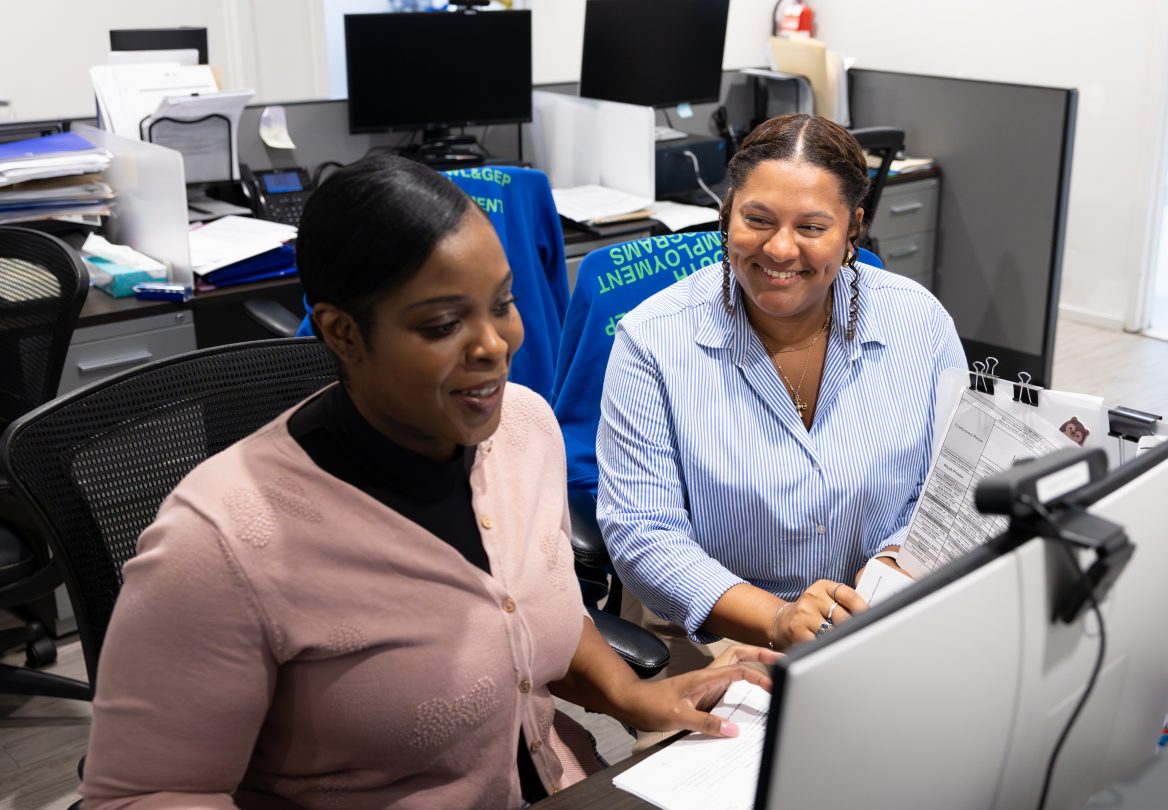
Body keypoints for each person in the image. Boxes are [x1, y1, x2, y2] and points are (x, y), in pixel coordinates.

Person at [81, 155, 776, 810]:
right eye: (444, 324)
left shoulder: (524, 428)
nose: (495, 345)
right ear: (343, 334)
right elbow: (142, 796)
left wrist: (632, 696)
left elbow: (540, 613)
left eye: (502, 303)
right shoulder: (219, 543)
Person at [597, 114, 967, 669]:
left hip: (879, 616)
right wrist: (777, 619)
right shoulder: (652, 340)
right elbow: (641, 531)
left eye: (812, 227)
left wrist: (893, 563)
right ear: (727, 215)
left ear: (852, 229)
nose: (780, 249)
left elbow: (951, 484)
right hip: (713, 636)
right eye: (757, 219)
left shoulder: (919, 322)